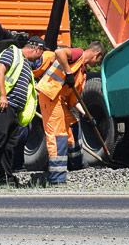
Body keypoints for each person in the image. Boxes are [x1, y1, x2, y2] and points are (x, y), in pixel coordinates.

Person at [0, 36, 44, 187]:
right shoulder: (12, 53)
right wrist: (3, 97)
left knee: (9, 145)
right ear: (36, 49)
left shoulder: (25, 64)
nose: (40, 58)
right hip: (4, 105)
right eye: (41, 53)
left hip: (14, 110)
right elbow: (0, 72)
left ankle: (5, 178)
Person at [33, 40, 106, 186]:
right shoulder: (78, 54)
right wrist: (68, 73)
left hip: (59, 100)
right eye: (99, 60)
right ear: (97, 54)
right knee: (58, 135)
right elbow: (59, 52)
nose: (97, 64)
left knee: (73, 124)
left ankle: (75, 163)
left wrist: (87, 115)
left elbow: (73, 101)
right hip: (50, 96)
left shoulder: (82, 72)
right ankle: (57, 178)